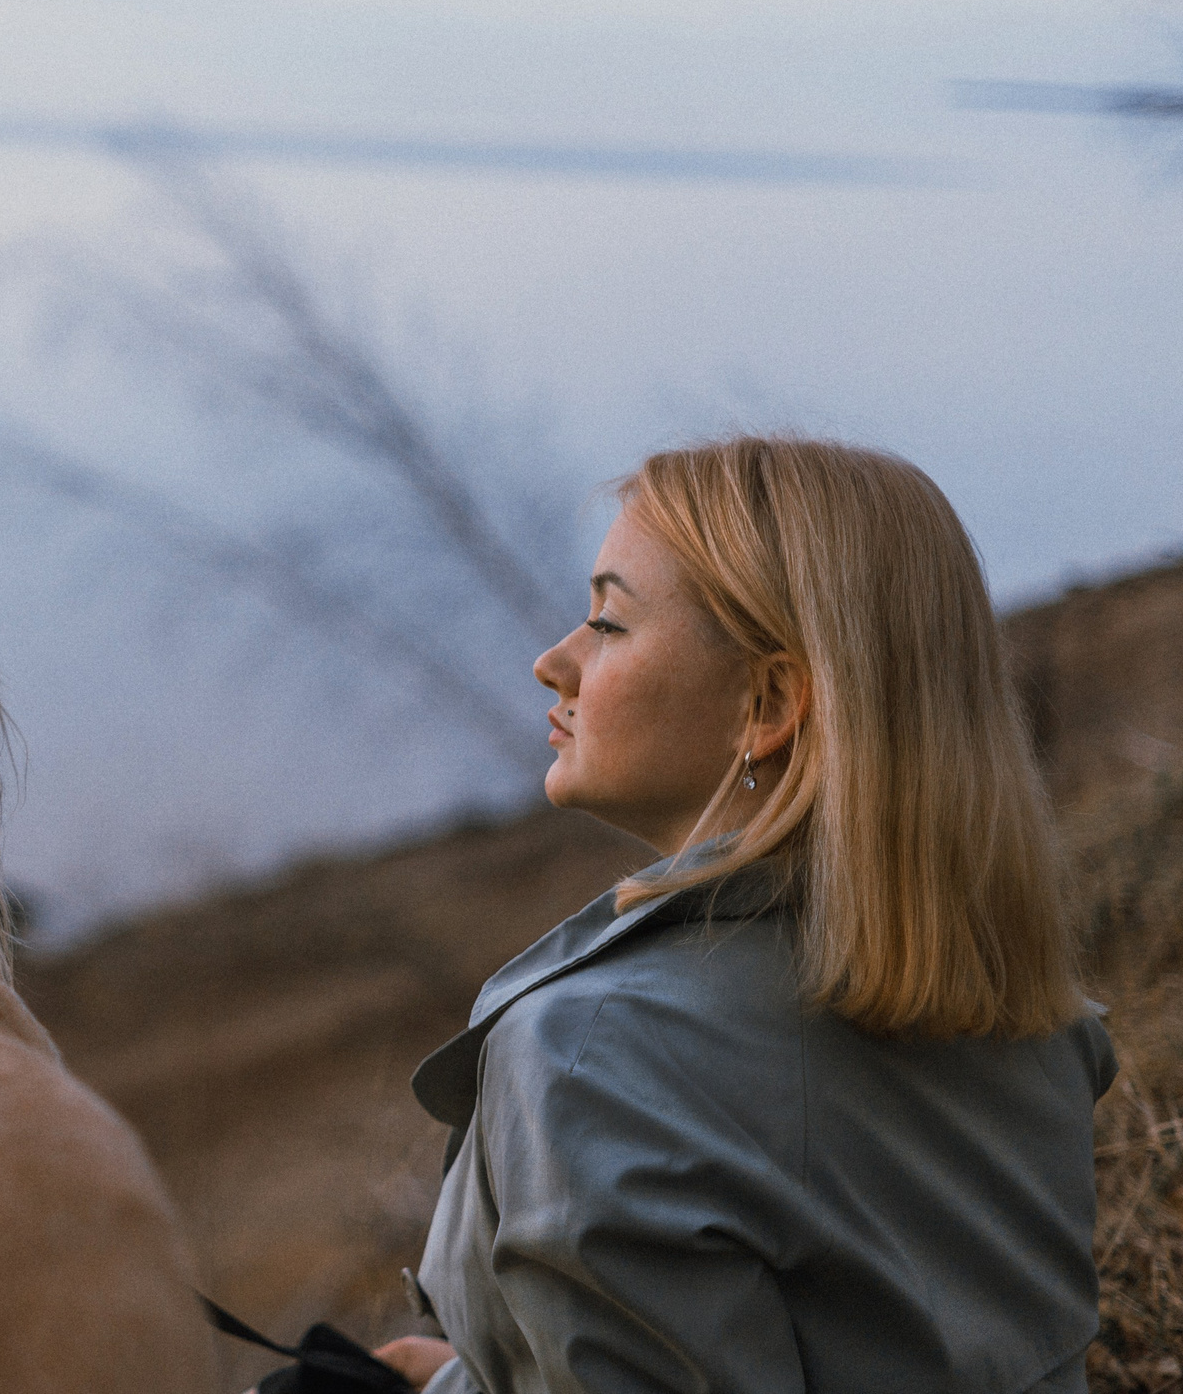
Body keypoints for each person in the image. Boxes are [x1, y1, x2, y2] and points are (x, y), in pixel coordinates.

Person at [377, 437, 1114, 1393]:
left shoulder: (591, 1058)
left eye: (607, 623)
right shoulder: (1031, 1013)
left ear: (766, 701)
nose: (552, 661)